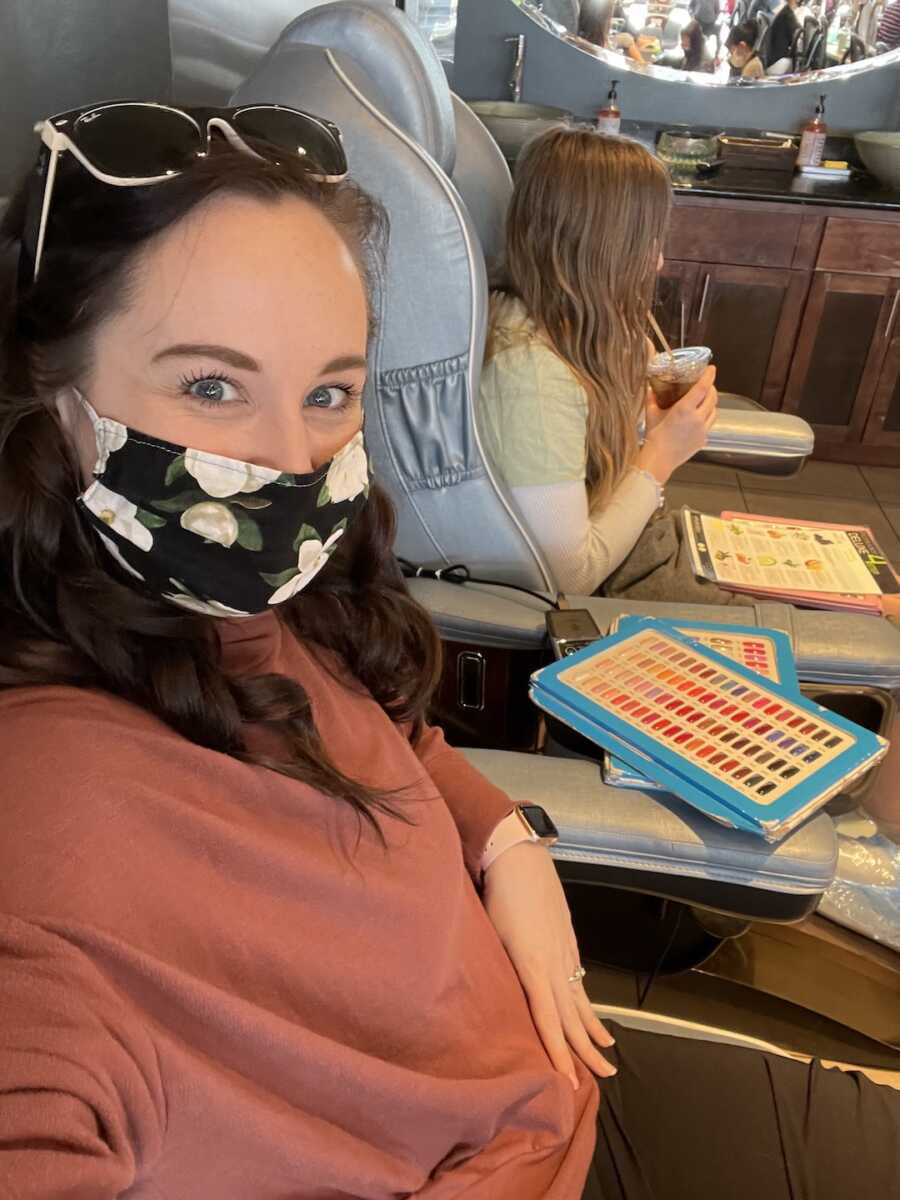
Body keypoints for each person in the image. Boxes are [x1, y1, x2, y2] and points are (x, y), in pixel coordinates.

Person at [2, 102, 899, 1200]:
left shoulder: (244, 612)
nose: (291, 459)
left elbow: (398, 745)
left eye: (329, 391)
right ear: (58, 402)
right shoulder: (41, 825)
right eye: (210, 386)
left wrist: (505, 838)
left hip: (560, 1081)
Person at [479, 127, 746, 601]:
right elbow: (571, 576)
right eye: (646, 242)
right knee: (866, 626)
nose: (659, 261)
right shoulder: (532, 376)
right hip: (616, 588)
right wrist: (661, 455)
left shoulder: (562, 325)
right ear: (598, 246)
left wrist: (645, 422)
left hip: (639, 544)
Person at [763, 0, 801, 72]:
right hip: (776, 63)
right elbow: (800, 37)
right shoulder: (788, 16)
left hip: (770, 60)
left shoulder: (784, 12)